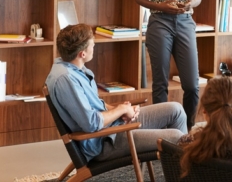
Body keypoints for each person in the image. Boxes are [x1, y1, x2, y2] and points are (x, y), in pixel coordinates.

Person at [45, 23, 187, 162]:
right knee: (176, 137)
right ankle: (186, 173)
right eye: (92, 45)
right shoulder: (67, 79)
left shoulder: (72, 67)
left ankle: (181, 172)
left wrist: (122, 111)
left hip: (113, 127)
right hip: (104, 141)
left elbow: (95, 105)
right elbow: (91, 123)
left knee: (176, 110)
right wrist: (121, 109)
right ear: (82, 54)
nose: (94, 47)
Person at [135, 0, 201, 129]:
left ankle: (187, 129)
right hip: (159, 23)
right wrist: (162, 6)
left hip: (184, 22)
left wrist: (192, 3)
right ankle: (160, 134)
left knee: (191, 84)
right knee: (160, 83)